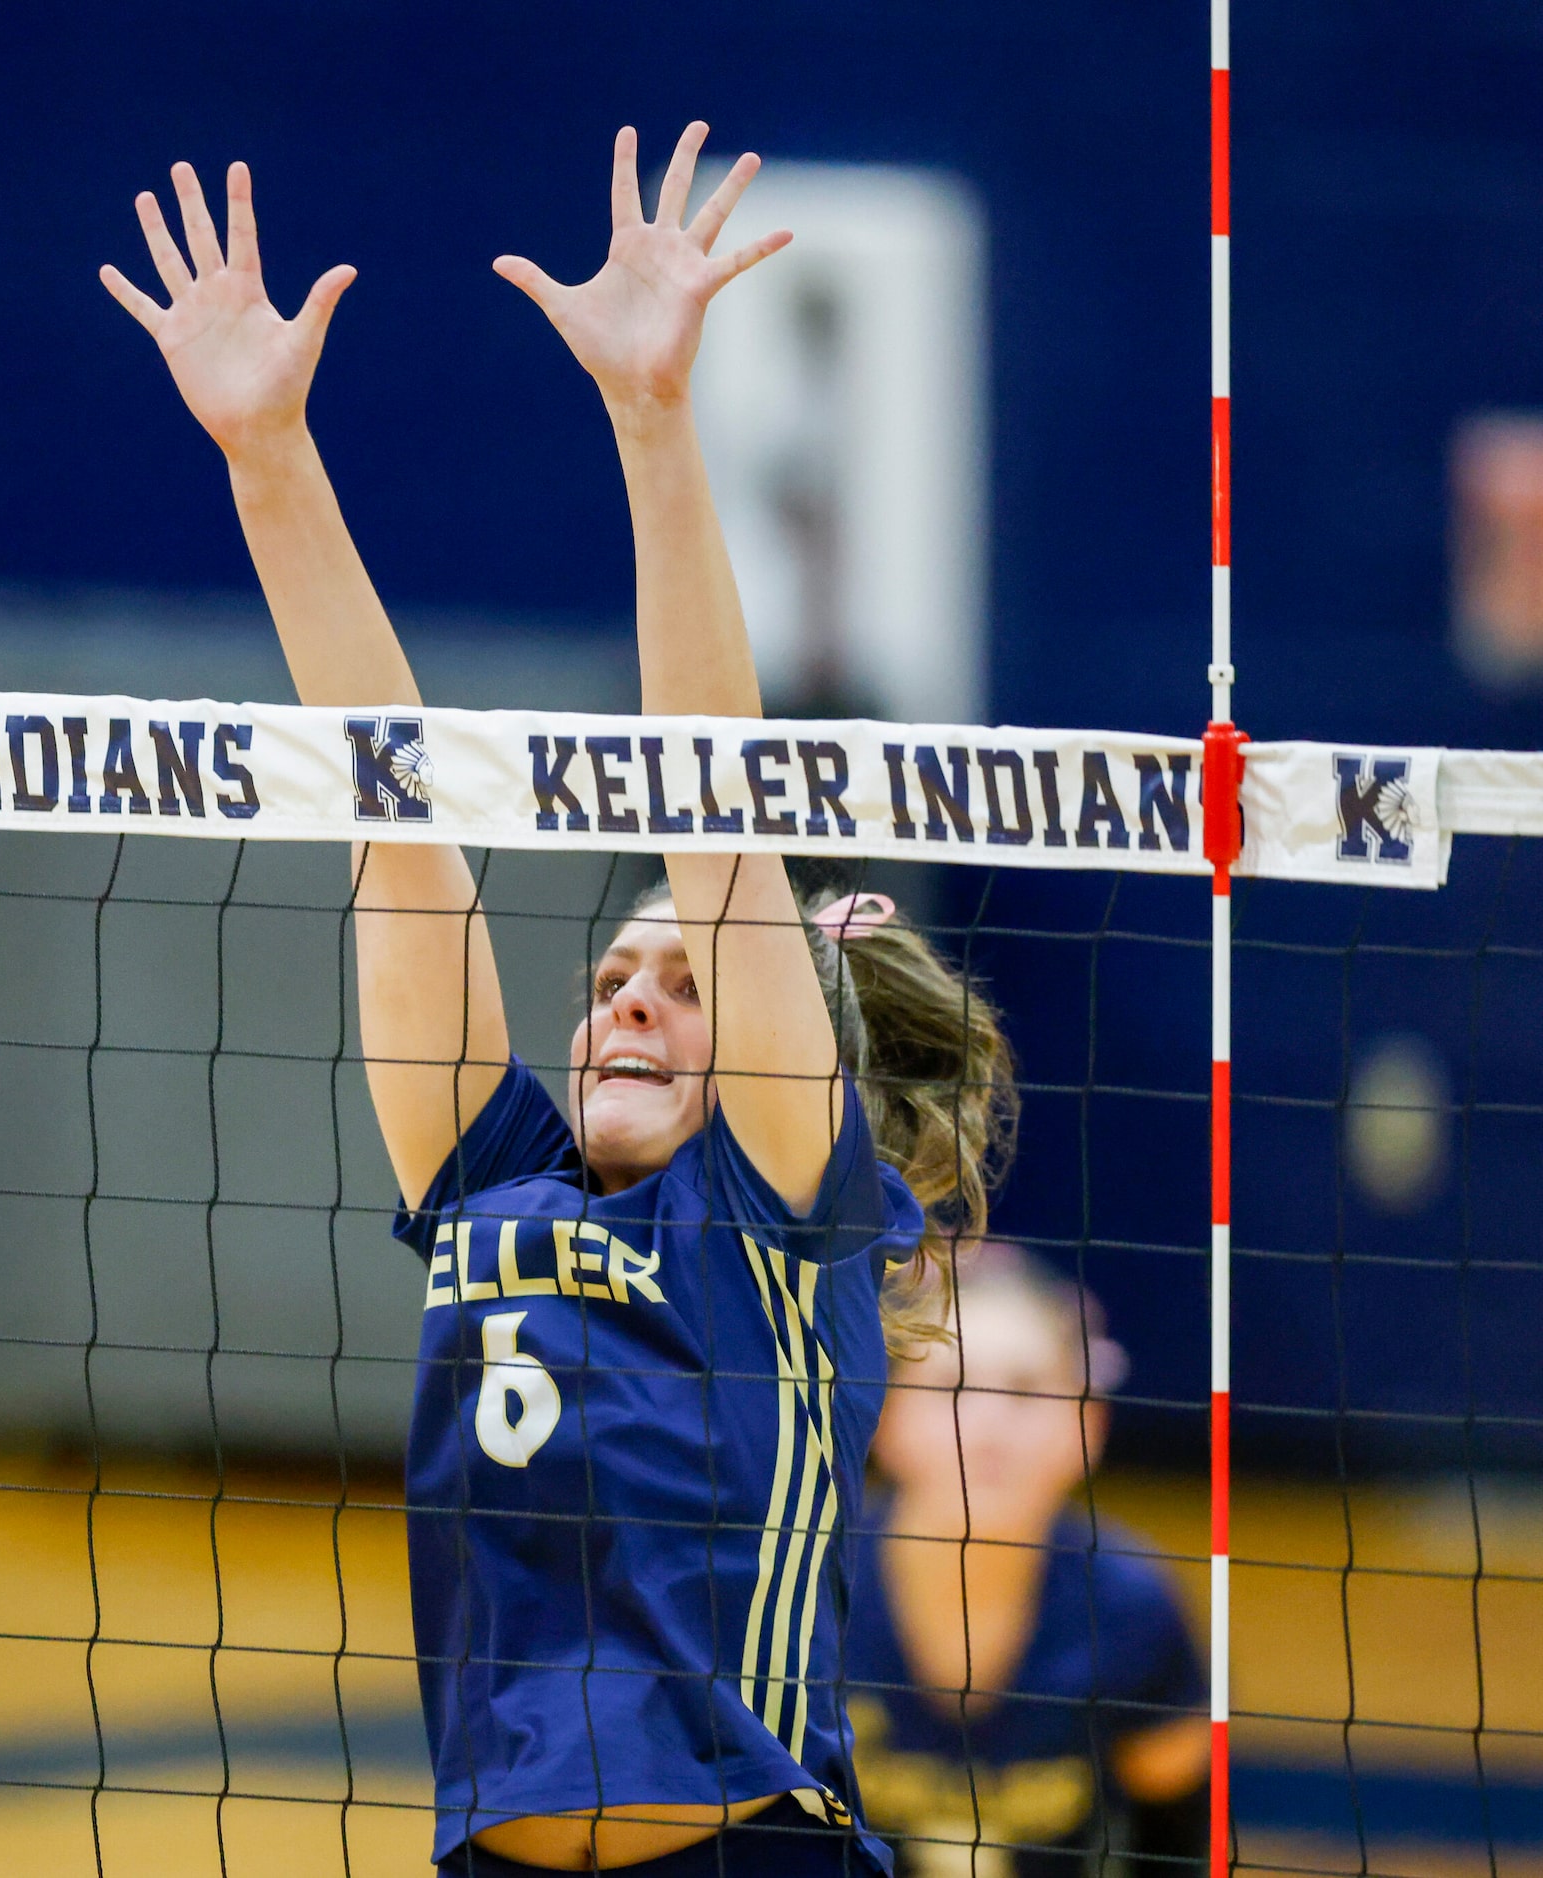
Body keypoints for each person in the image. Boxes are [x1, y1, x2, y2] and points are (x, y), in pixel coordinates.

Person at [101, 130, 1015, 1875]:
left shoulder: (777, 1212)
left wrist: (656, 420)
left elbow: (716, 815)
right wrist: (268, 453)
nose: (627, 1003)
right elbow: (395, 828)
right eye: (610, 977)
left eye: (683, 983)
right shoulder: (491, 1179)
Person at [848, 1246, 1208, 1878]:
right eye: (950, 1387)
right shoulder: (799, 1591)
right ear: (886, 1415)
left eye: (1025, 1389)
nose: (986, 1426)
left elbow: (1177, 1840)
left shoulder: (1133, 1608)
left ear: (1088, 1425)